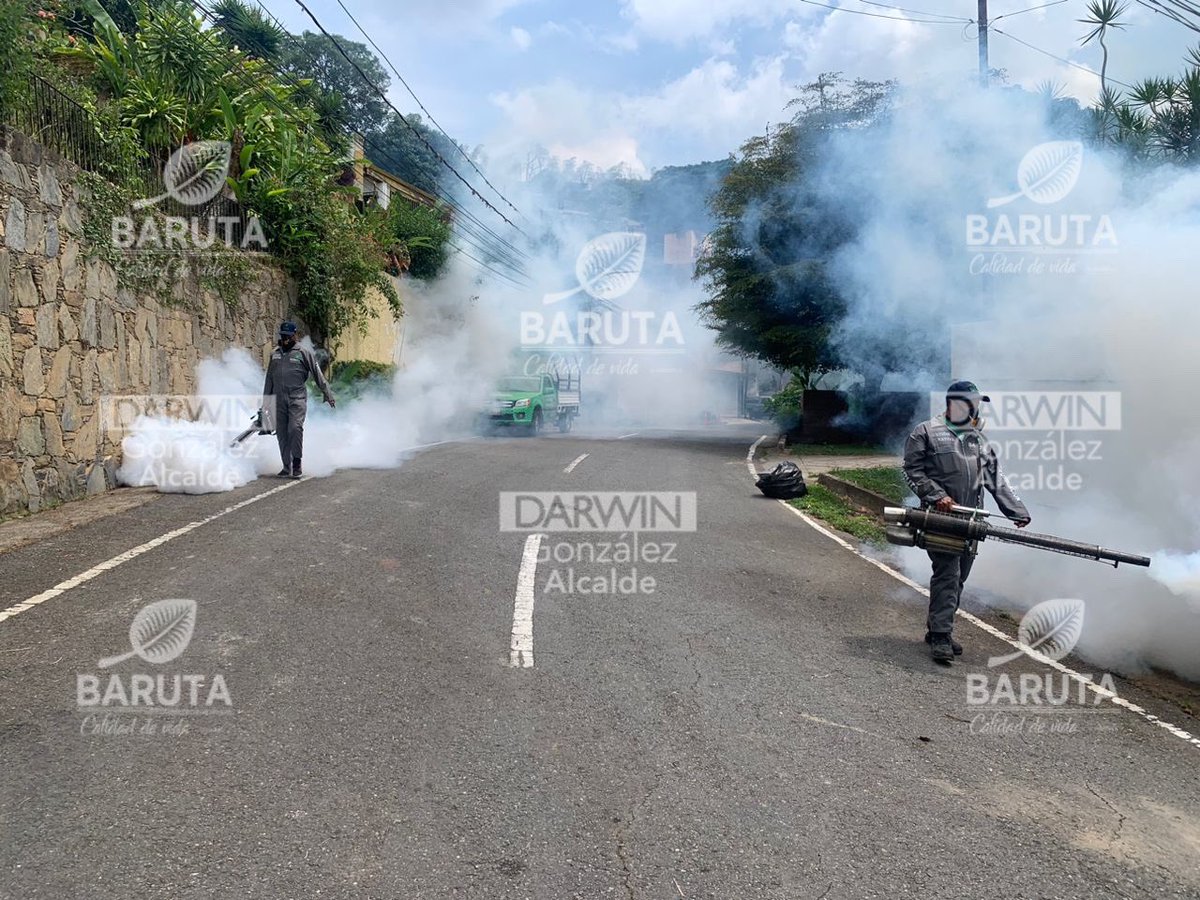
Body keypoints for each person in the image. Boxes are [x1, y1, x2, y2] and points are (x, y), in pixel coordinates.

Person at [902, 381, 1030, 662]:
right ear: (957, 404)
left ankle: (938, 626)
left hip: (972, 522)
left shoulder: (979, 441)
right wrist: (936, 495)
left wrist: (1016, 511)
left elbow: (995, 479)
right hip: (941, 518)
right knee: (948, 574)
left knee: (960, 577)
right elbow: (911, 471)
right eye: (973, 403)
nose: (977, 409)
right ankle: (940, 636)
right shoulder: (925, 432)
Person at [262, 322, 335, 479]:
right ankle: (286, 466)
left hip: (297, 398)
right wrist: (266, 404)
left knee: (295, 428)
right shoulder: (275, 354)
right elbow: (269, 379)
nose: (285, 339)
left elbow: (317, 373)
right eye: (283, 336)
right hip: (278, 399)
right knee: (281, 433)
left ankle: (296, 463)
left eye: (288, 336)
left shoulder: (303, 353)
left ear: (294, 336)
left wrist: (327, 393)